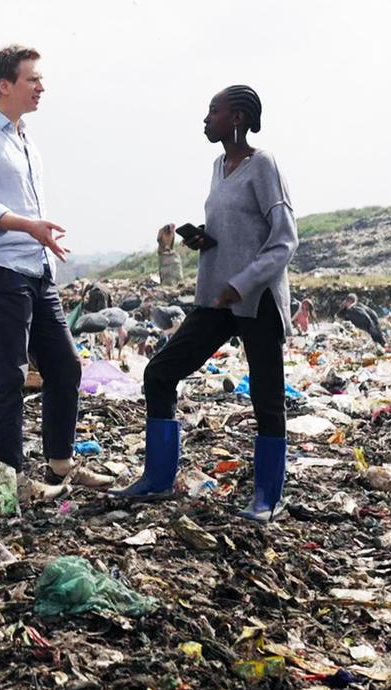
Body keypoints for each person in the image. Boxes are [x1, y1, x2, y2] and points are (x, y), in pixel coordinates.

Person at [112, 85, 299, 523]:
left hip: (258, 299)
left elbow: (284, 238)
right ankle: (158, 479)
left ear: (236, 117)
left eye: (212, 111)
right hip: (217, 296)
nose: (205, 119)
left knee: (267, 398)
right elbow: (237, 232)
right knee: (160, 372)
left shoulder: (264, 165)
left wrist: (244, 281)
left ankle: (267, 498)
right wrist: (206, 242)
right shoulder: (219, 166)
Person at [0, 44, 81, 474]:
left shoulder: (27, 142)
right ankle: (7, 479)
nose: (42, 87)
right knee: (9, 377)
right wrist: (32, 227)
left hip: (37, 270)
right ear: (4, 85)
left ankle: (61, 466)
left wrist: (41, 240)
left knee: (64, 366)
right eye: (33, 79)